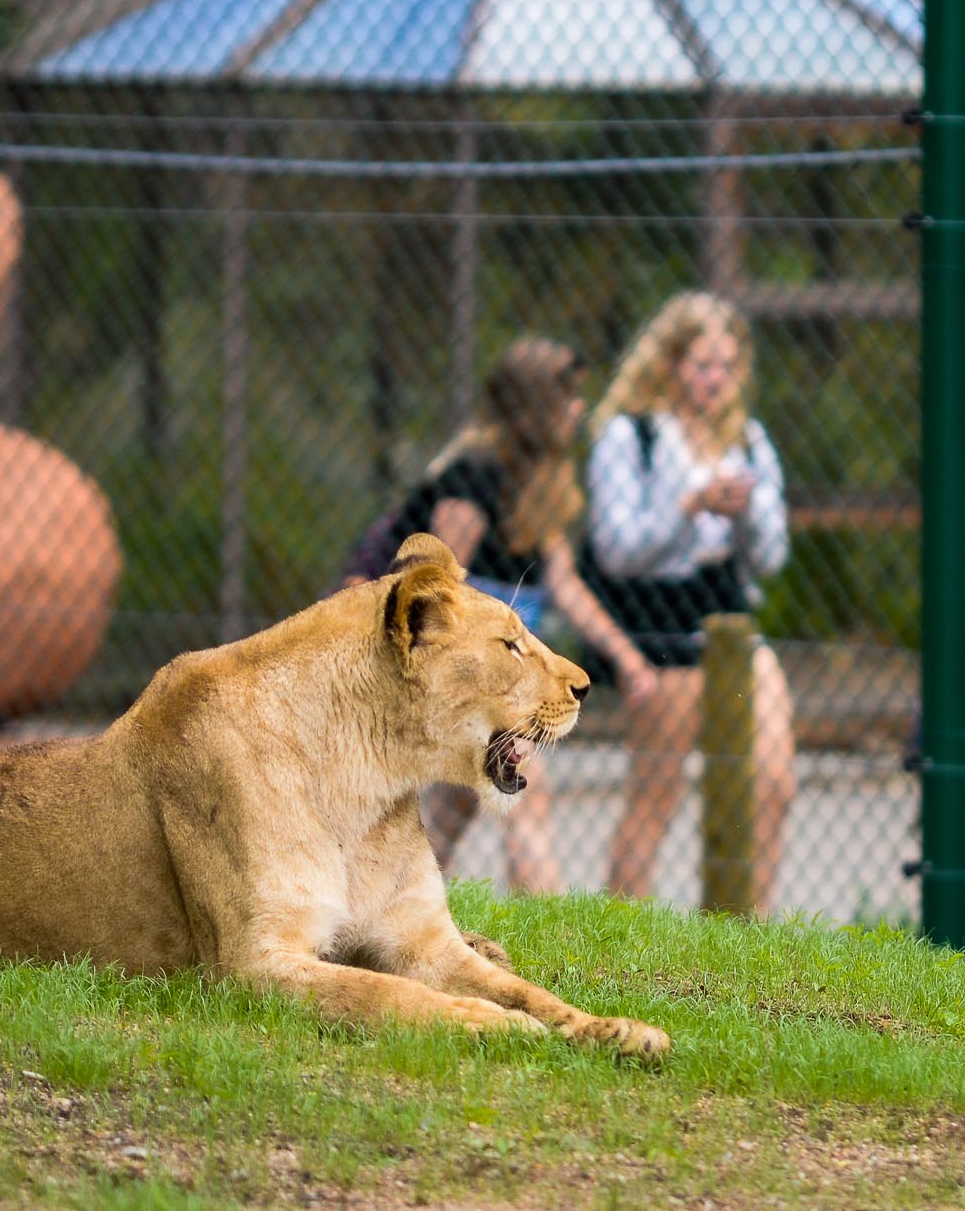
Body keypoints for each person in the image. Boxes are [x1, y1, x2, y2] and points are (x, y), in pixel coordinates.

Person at [340, 338, 657, 893]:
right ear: (534, 408)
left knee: (453, 813)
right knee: (527, 786)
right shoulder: (474, 479)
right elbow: (428, 583)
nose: (578, 410)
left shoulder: (539, 486)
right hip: (441, 668)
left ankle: (395, 904)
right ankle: (551, 927)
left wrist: (628, 659)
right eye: (567, 399)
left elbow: (566, 585)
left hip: (496, 672)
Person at [583, 291, 795, 909]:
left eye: (729, 367)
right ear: (671, 363)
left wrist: (746, 511)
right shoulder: (633, 436)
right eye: (703, 365)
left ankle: (746, 935)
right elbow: (617, 551)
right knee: (658, 794)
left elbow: (772, 558)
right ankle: (620, 937)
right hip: (659, 621)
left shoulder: (749, 441)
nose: (716, 380)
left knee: (774, 779)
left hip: (728, 618)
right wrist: (689, 508)